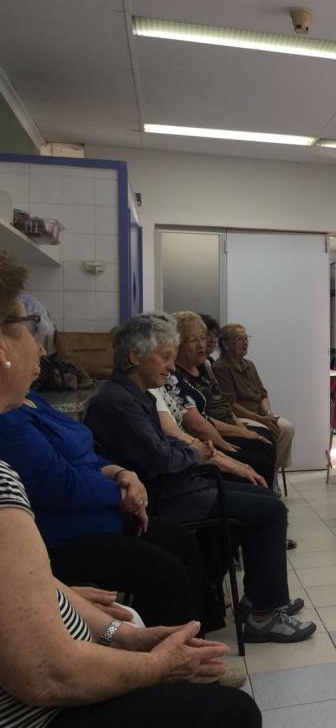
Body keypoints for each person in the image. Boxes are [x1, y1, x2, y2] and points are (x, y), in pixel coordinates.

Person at [0, 260, 220, 632]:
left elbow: (87, 457)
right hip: (70, 535)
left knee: (182, 541)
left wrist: (121, 474)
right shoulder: (10, 422)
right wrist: (122, 494)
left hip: (111, 510)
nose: (40, 349)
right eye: (30, 329)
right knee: (164, 569)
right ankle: (174, 649)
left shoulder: (31, 402)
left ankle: (200, 637)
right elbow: (62, 484)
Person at [84, 314, 316, 644]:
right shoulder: (119, 403)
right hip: (167, 497)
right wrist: (198, 455)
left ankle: (259, 599)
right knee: (270, 511)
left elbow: (167, 447)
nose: (170, 366)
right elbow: (163, 459)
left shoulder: (136, 395)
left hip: (179, 486)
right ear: (135, 356)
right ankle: (263, 616)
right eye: (165, 357)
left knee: (265, 498)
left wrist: (196, 454)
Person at [0, 460, 261, 727]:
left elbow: (44, 582)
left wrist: (125, 637)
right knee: (233, 712)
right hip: (47, 712)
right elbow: (50, 677)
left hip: (113, 516)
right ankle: (257, 618)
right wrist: (159, 665)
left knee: (180, 544)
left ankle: (198, 664)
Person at [170, 312, 277, 490]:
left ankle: (268, 490)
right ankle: (265, 493)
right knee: (262, 454)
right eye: (192, 340)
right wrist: (231, 440)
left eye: (203, 338)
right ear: (177, 345)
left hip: (224, 425)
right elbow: (199, 424)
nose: (201, 345)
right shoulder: (175, 377)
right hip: (209, 437)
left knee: (266, 441)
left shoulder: (205, 366)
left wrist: (243, 428)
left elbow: (224, 403)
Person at [213, 323, 295, 472]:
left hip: (259, 413)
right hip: (241, 417)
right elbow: (231, 405)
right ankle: (267, 472)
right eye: (239, 339)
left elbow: (263, 395)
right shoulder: (220, 367)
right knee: (268, 432)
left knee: (287, 428)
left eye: (246, 338)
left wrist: (268, 413)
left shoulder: (249, 364)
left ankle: (272, 472)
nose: (245, 343)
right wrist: (261, 420)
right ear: (225, 344)